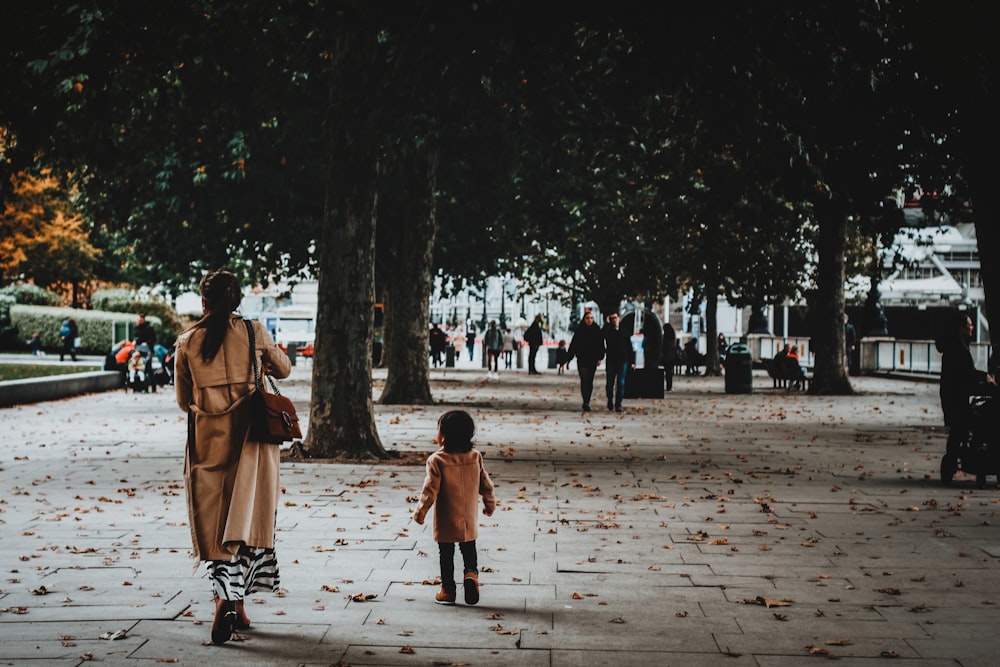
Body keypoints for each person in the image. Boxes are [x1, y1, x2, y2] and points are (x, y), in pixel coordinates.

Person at [174, 269, 291, 645]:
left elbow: (182, 402)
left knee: (216, 527)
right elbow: (284, 370)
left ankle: (230, 603)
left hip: (208, 445)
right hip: (252, 444)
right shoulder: (255, 333)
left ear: (203, 302)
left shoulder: (187, 342)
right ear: (237, 300)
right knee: (245, 523)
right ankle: (229, 602)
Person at [413, 410, 496, 606]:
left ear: (443, 436)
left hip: (446, 518)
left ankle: (448, 590)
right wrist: (489, 503)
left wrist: (420, 513)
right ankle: (471, 574)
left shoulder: (437, 460)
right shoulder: (475, 457)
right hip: (468, 518)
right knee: (469, 548)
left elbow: (429, 491)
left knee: (446, 553)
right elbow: (485, 483)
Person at [935, 310, 996, 458]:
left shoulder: (953, 347)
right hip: (956, 399)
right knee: (977, 423)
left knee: (958, 430)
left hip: (951, 397)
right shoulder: (958, 349)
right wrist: (986, 380)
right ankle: (975, 453)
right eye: (969, 325)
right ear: (961, 328)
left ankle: (954, 457)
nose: (972, 327)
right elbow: (967, 374)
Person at [567, 311, 604, 412]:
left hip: (592, 359)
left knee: (590, 381)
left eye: (591, 318)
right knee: (584, 379)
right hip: (582, 358)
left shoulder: (597, 330)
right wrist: (568, 359)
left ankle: (587, 400)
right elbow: (573, 345)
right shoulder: (579, 330)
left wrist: (600, 358)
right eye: (587, 318)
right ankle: (585, 401)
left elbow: (601, 345)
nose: (589, 320)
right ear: (584, 319)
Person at [602, 313, 633, 412]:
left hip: (622, 359)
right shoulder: (608, 331)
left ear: (619, 318)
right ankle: (610, 400)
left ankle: (618, 403)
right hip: (611, 359)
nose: (614, 320)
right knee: (610, 383)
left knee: (621, 382)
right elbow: (602, 335)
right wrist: (606, 324)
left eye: (615, 318)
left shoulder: (624, 331)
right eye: (612, 319)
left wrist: (632, 361)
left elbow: (629, 347)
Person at [661, 322, 677, 392]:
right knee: (669, 372)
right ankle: (669, 386)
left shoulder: (665, 337)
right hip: (672, 356)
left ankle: (668, 386)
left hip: (666, 356)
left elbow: (663, 346)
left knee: (667, 372)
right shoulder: (672, 336)